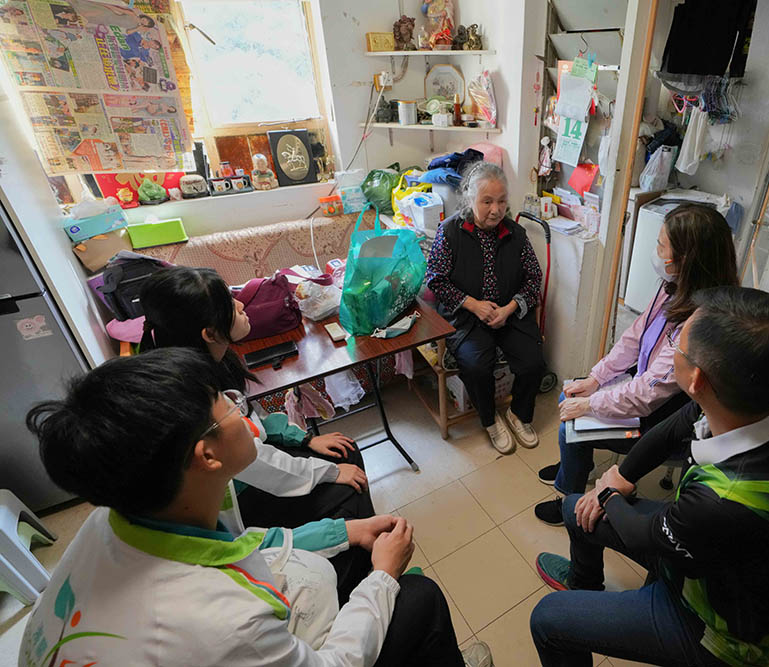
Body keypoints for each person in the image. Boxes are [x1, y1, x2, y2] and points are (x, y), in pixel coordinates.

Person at [20, 349, 492, 666]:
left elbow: (235, 546)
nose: (241, 411)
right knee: (418, 598)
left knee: (352, 545)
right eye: (225, 405)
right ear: (206, 455)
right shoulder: (223, 623)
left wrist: (346, 532)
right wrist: (384, 578)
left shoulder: (114, 520)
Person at [531, 287, 769, 667]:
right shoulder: (768, 402)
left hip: (721, 634)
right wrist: (620, 476)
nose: (672, 347)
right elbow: (672, 430)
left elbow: (648, 534)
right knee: (576, 510)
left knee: (547, 619)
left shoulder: (723, 501)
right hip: (711, 554)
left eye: (676, 343)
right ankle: (583, 587)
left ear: (696, 378)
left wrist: (607, 493)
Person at [139, 265, 374, 603]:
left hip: (248, 472)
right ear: (209, 332)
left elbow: (253, 420)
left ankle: (370, 554)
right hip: (242, 495)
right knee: (346, 487)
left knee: (345, 453)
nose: (240, 304)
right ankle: (360, 580)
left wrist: (304, 439)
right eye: (230, 303)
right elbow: (256, 461)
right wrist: (328, 476)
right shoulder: (194, 402)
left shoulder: (214, 363)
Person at [533, 203, 738, 526]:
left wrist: (590, 404)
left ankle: (569, 501)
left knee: (570, 424)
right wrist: (596, 379)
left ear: (685, 258)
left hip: (661, 417)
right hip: (646, 385)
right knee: (571, 395)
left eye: (661, 245)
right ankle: (576, 467)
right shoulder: (675, 288)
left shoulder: (701, 323)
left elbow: (647, 394)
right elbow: (634, 336)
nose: (656, 252)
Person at [426, 161, 547, 454]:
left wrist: (510, 308)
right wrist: (473, 305)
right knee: (477, 366)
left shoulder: (516, 234)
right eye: (487, 201)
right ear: (470, 198)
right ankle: (490, 419)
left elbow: (534, 278)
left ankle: (519, 414)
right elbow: (435, 280)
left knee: (534, 362)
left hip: (509, 315)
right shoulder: (450, 232)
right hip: (467, 317)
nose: (496, 210)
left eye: (502, 201)